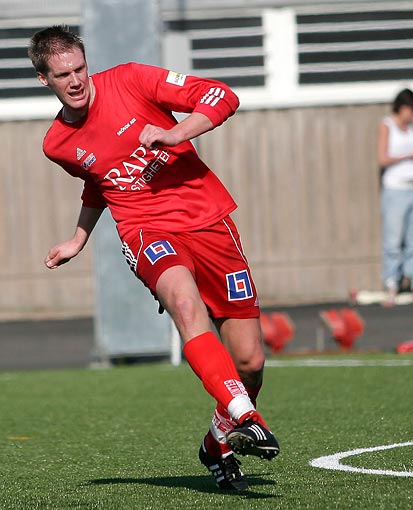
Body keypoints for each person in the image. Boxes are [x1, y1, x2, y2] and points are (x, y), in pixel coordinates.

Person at [28, 25, 278, 492]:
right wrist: (79, 238)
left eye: (80, 68)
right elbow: (100, 179)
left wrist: (176, 131)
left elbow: (222, 95)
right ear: (45, 79)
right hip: (145, 229)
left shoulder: (131, 79)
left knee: (249, 361)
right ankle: (248, 415)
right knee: (185, 305)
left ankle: (217, 439)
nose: (77, 81)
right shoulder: (56, 144)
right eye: (64, 75)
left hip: (208, 220)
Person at [377, 88, 413, 306]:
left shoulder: (412, 129)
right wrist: (409, 155)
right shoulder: (387, 125)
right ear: (403, 107)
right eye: (411, 109)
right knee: (393, 240)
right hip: (395, 189)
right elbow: (382, 158)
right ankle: (392, 284)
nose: (412, 115)